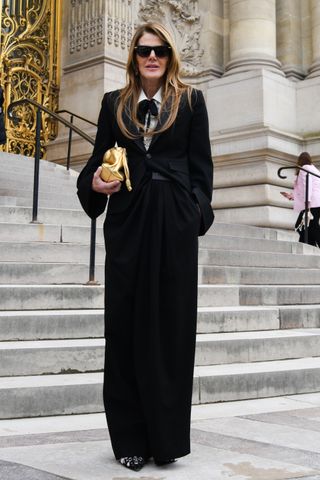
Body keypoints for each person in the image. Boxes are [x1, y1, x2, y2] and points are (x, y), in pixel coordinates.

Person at [77, 22, 214, 472]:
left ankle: (167, 439)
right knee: (125, 326)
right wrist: (95, 183)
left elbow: (202, 171)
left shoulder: (191, 101)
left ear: (170, 55)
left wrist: (193, 212)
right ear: (133, 56)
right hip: (128, 223)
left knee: (172, 329)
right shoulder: (112, 104)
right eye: (142, 51)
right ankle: (130, 439)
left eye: (158, 51)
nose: (150, 57)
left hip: (173, 224)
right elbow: (97, 162)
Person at [281, 151, 320, 247]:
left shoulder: (305, 168)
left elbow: (308, 185)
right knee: (309, 227)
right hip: (316, 202)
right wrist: (291, 196)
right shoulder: (314, 169)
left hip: (311, 203)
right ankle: (308, 246)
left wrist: (307, 202)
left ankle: (309, 246)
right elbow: (304, 189)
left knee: (303, 226)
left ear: (300, 160)